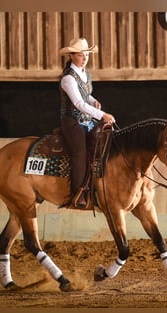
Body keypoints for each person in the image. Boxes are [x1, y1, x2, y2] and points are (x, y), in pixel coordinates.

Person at [59, 38, 116, 208]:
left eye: (86, 55)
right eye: (81, 55)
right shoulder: (68, 78)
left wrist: (94, 101)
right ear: (71, 56)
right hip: (72, 122)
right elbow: (78, 103)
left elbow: (85, 96)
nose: (85, 58)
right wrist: (102, 114)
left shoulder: (86, 73)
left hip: (86, 120)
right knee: (80, 154)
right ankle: (78, 194)